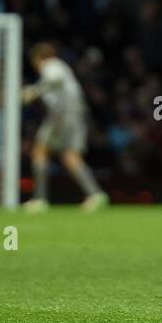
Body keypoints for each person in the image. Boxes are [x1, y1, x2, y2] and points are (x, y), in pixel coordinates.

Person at [21, 43, 108, 212]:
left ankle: (40, 199)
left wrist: (33, 92)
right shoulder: (61, 66)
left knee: (40, 151)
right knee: (69, 155)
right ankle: (95, 194)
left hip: (63, 115)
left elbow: (54, 80)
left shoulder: (51, 66)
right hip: (74, 114)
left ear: (38, 58)